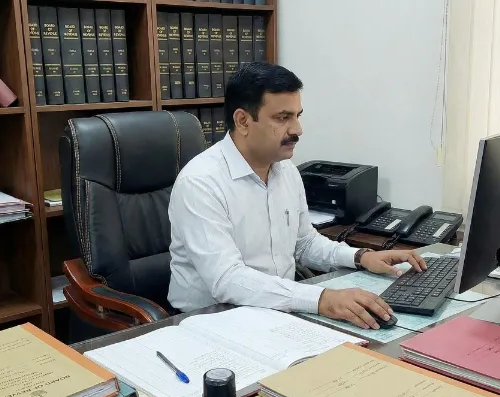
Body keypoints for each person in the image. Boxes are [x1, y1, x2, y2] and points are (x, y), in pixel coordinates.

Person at [167, 62, 427, 330]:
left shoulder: (285, 171)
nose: (297, 130)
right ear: (243, 121)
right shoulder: (201, 182)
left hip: (277, 313)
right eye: (283, 118)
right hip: (211, 323)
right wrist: (321, 299)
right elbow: (226, 280)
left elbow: (304, 244)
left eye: (297, 116)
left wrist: (360, 257)